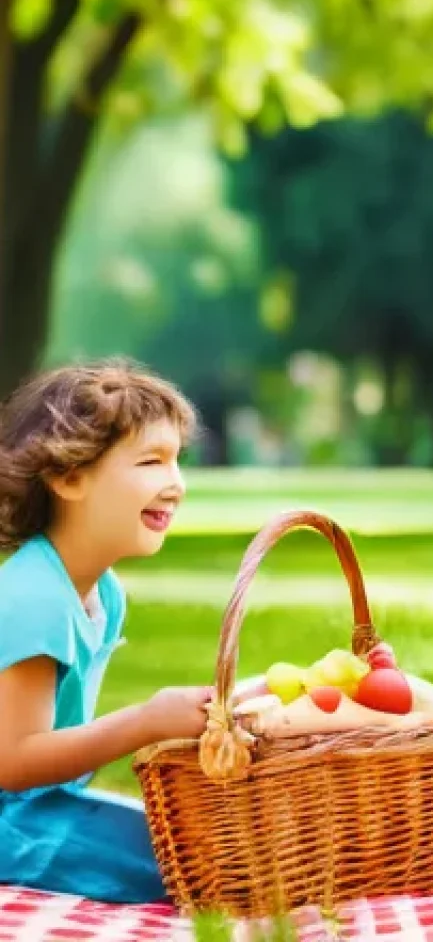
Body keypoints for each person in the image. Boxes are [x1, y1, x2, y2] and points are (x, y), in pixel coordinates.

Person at [0, 360, 212, 903]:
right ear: (68, 477)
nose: (176, 484)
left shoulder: (104, 591)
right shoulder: (32, 595)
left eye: (176, 461)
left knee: (197, 845)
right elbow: (15, 761)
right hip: (12, 824)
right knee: (191, 868)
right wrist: (145, 721)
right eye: (150, 461)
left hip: (42, 809)